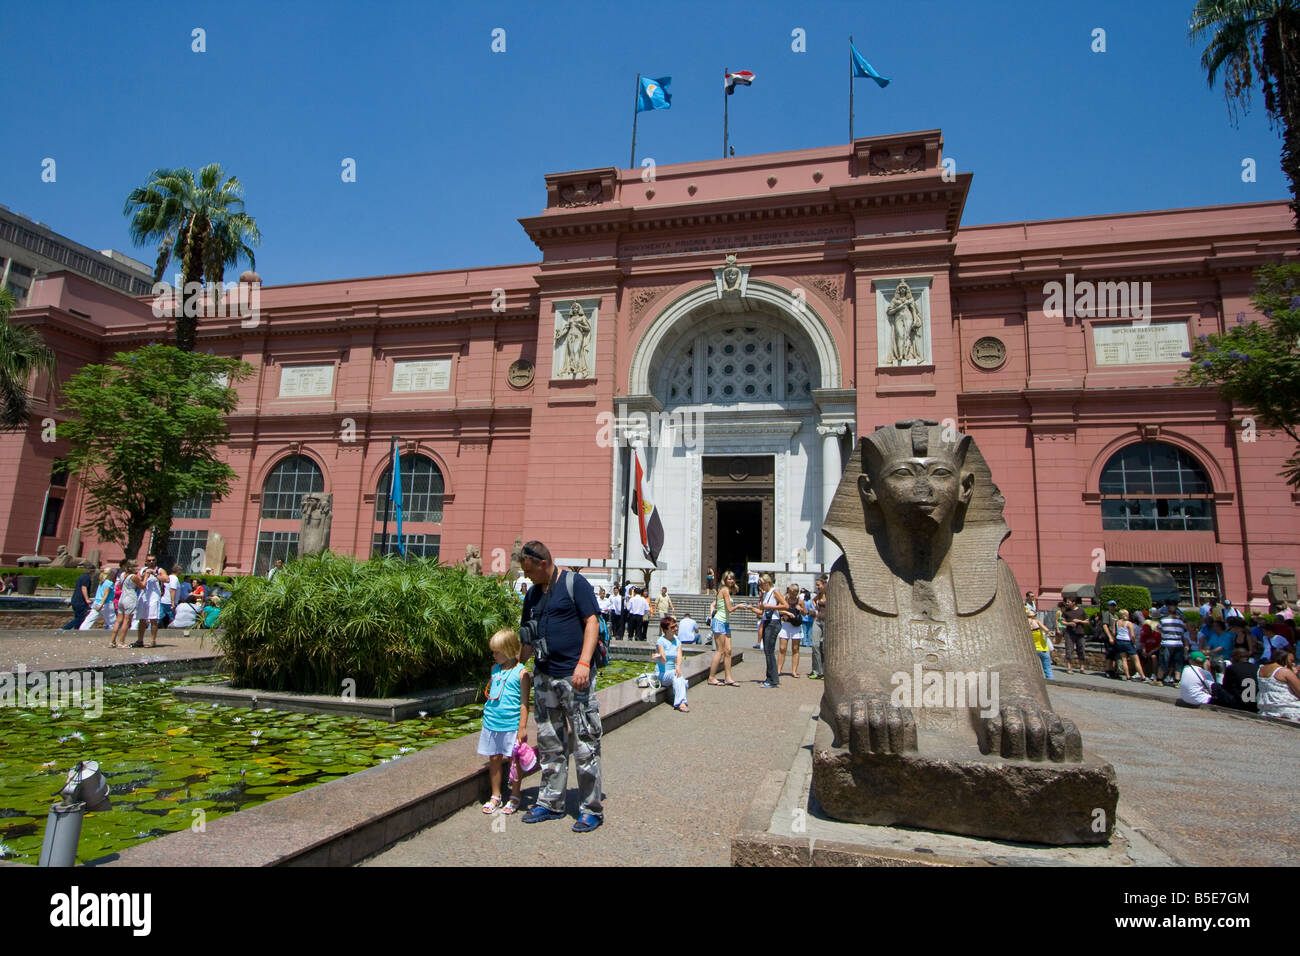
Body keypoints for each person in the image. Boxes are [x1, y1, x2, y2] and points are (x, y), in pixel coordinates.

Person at [517, 540, 604, 833]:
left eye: (529, 570)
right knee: (549, 743)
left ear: (543, 563)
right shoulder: (531, 595)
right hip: (544, 677)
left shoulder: (574, 583)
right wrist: (516, 666)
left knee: (585, 742)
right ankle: (550, 802)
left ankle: (590, 808)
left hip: (574, 676)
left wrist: (583, 662)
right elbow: (527, 639)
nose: (526, 576)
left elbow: (591, 622)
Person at [479, 628, 532, 816]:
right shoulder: (495, 669)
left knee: (515, 761)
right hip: (492, 722)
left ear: (509, 650)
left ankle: (515, 795)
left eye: (496, 652)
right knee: (494, 758)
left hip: (511, 724)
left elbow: (524, 703)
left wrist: (522, 727)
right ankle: (495, 795)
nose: (493, 655)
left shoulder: (521, 673)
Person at [706, 570, 744, 686]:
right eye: (729, 579)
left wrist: (712, 612)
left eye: (732, 578)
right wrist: (739, 606)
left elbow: (714, 604)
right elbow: (729, 609)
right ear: (725, 580)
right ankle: (711, 677)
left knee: (728, 651)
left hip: (725, 622)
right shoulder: (725, 590)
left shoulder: (724, 591)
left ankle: (728, 678)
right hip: (720, 622)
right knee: (720, 650)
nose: (731, 580)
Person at [749, 573, 786, 688]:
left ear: (767, 583)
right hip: (766, 621)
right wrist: (751, 608)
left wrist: (771, 607)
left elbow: (786, 605)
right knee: (767, 651)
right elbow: (761, 612)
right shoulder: (765, 594)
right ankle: (770, 677)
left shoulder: (775, 592)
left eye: (761, 585)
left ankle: (773, 680)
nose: (761, 588)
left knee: (769, 651)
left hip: (773, 623)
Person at [654, 616, 689, 712]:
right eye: (672, 627)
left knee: (678, 676)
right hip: (661, 674)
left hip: (672, 672)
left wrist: (677, 666)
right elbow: (663, 659)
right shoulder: (660, 641)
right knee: (678, 677)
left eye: (676, 626)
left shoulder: (677, 641)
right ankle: (681, 703)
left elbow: (679, 657)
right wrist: (660, 657)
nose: (676, 629)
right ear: (665, 629)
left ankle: (681, 703)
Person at [1256, 649, 1300, 722]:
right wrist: (1295, 675)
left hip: (1268, 708)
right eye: (1291, 661)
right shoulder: (1285, 672)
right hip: (1288, 708)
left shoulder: (1261, 669)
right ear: (1284, 659)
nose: (1293, 664)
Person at [134, 556, 165, 648]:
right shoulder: (142, 570)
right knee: (142, 619)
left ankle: (153, 640)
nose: (151, 562)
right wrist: (144, 576)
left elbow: (166, 579)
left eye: (153, 560)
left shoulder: (159, 570)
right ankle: (140, 640)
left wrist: (154, 574)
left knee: (153, 619)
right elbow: (138, 581)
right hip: (144, 597)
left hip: (154, 597)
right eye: (149, 560)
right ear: (146, 562)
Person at [1158, 604, 1190, 685]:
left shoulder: (1163, 621)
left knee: (1163, 662)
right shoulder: (1181, 623)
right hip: (1178, 643)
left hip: (1166, 643)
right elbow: (1183, 632)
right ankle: (1177, 681)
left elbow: (1159, 629)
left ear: (1167, 612)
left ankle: (1159, 680)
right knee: (1178, 663)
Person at [777, 583, 804, 679]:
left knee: (795, 649)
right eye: (792, 593)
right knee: (782, 648)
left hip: (796, 626)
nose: (793, 595)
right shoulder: (784, 599)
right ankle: (779, 669)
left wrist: (800, 608)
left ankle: (794, 671)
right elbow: (778, 610)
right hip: (786, 624)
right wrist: (786, 612)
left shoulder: (800, 600)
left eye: (795, 593)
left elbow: (805, 613)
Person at [79, 569, 117, 634]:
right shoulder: (109, 583)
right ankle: (115, 633)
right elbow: (106, 594)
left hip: (96, 602)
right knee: (112, 621)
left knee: (90, 618)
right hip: (106, 603)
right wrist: (102, 604)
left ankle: (82, 630)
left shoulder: (102, 582)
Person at [111, 561, 138, 649]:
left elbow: (119, 586)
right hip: (130, 598)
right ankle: (121, 642)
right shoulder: (133, 577)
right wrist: (145, 577)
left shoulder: (122, 575)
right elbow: (142, 586)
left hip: (122, 598)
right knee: (126, 621)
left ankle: (112, 641)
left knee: (118, 620)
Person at [1223, 647, 1260, 712]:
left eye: (1233, 656)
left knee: (1216, 687)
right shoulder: (1257, 668)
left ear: (1237, 657)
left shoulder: (1232, 668)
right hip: (1254, 704)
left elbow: (1226, 687)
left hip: (1239, 703)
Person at [1113, 609, 1145, 681]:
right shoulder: (1129, 623)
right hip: (1127, 641)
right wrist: (1134, 643)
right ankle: (1143, 676)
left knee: (1124, 659)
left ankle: (1127, 676)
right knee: (1136, 660)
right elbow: (1132, 635)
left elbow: (1114, 632)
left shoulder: (1117, 622)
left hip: (1119, 640)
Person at [61, 566, 96, 630]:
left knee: (78, 616)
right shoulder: (86, 578)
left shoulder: (82, 577)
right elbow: (84, 588)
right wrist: (87, 599)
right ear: (92, 571)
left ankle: (77, 630)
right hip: (80, 601)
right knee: (81, 617)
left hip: (75, 599)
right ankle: (65, 628)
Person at [1060, 597, 1088, 674]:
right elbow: (1062, 621)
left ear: (1074, 602)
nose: (1067, 603)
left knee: (1081, 649)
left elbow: (1087, 621)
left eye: (1068, 602)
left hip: (1080, 633)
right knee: (1069, 649)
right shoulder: (1066, 612)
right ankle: (1069, 668)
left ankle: (1082, 667)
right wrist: (1069, 623)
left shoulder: (1081, 611)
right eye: (1066, 602)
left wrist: (1080, 621)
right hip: (1069, 633)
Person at [807, 575, 827, 680]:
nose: (817, 587)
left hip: (827, 622)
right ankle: (816, 670)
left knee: (824, 647)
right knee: (815, 645)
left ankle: (824, 671)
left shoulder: (830, 594)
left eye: (818, 585)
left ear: (824, 584)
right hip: (818, 620)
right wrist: (815, 608)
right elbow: (813, 601)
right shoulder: (819, 595)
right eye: (816, 585)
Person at [1028, 606, 1053, 679]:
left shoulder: (1025, 624)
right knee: (1047, 669)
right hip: (1042, 648)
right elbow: (1047, 630)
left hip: (1031, 649)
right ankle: (1050, 682)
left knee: (1032, 669)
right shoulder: (1037, 622)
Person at [1138, 612, 1162, 683]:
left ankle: (1154, 674)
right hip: (1147, 650)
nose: (1146, 633)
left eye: (1147, 631)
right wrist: (1144, 651)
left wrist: (1152, 651)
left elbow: (1159, 645)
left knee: (1154, 657)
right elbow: (1143, 644)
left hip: (1155, 650)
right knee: (1140, 656)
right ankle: (1141, 674)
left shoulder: (1157, 635)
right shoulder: (1143, 635)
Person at [1099, 600, 1119, 678]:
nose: (1112, 607)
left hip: (1115, 637)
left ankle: (1112, 670)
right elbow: (1105, 626)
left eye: (1114, 605)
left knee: (1113, 655)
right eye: (1111, 605)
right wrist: (1110, 636)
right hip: (1109, 637)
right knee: (1109, 654)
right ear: (1108, 606)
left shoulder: (1116, 616)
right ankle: (1108, 670)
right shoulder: (1107, 614)